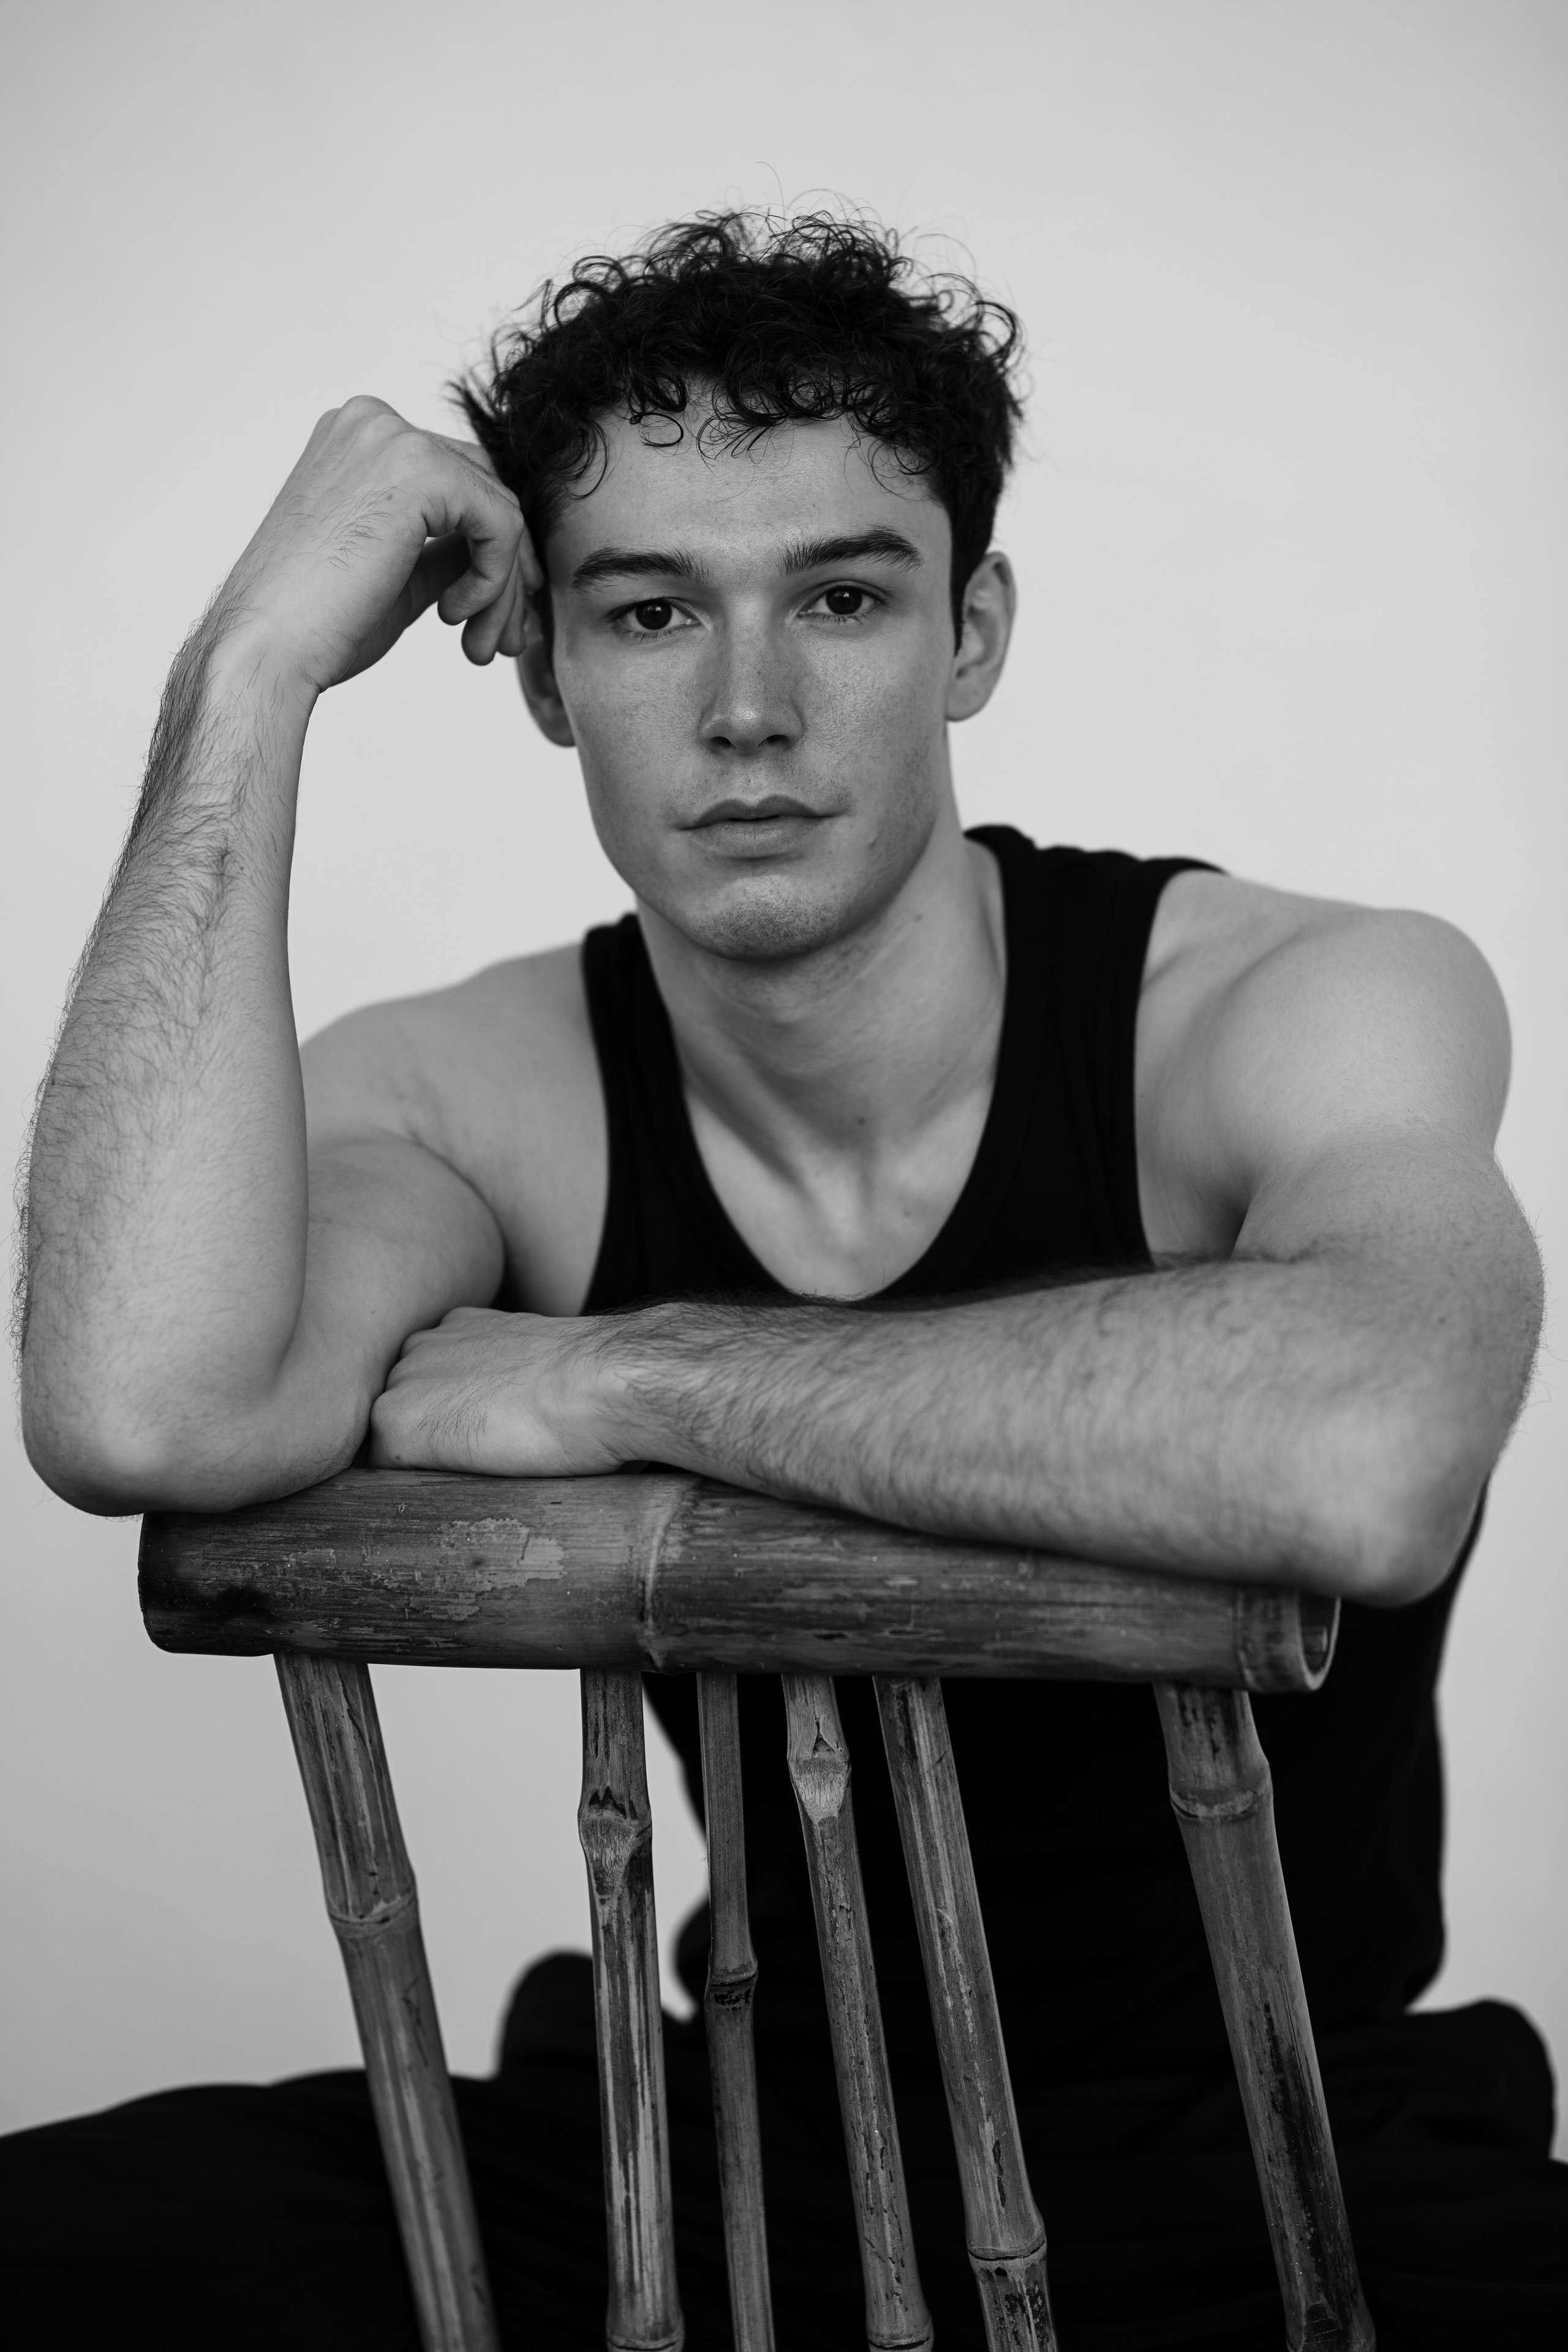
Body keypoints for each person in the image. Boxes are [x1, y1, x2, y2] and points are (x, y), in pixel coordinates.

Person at [9, 212, 1563, 2349]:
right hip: (709, 2133)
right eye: (650, 613)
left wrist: (632, 1377)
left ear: (974, 632)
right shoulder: (481, 1088)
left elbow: (1373, 1446)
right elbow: (138, 1412)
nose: (750, 710)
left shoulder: (1290, 1000)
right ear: (546, 669)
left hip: (1280, 2150)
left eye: (841, 596)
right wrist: (250, 672)